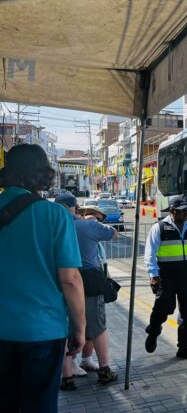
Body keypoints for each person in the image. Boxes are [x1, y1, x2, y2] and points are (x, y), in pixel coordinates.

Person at [0, 144, 86, 412]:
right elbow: (70, 279)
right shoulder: (55, 215)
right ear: (42, 174)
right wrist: (80, 327)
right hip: (42, 331)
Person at [55, 194, 119, 390]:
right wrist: (94, 221)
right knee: (97, 326)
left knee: (64, 329)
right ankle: (105, 370)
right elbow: (113, 233)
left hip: (57, 279)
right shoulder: (87, 226)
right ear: (75, 208)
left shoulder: (51, 228)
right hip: (89, 279)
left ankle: (66, 378)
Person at [144, 195, 187, 359]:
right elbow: (150, 254)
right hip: (166, 275)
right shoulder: (159, 228)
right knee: (164, 308)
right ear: (173, 211)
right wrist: (153, 274)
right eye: (183, 211)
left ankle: (185, 348)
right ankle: (153, 330)